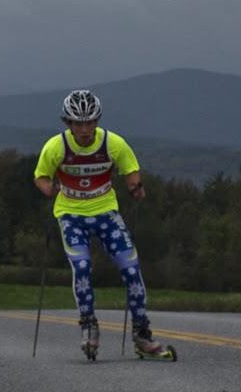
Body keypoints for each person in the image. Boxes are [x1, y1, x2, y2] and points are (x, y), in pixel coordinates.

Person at [34, 88, 166, 358]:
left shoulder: (112, 143)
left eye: (90, 122)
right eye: (78, 123)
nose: (84, 130)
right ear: (68, 123)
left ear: (97, 121)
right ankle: (88, 326)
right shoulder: (56, 146)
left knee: (131, 269)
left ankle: (141, 333)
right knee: (82, 267)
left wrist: (135, 186)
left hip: (105, 211)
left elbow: (130, 168)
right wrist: (47, 187)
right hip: (70, 214)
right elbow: (41, 175)